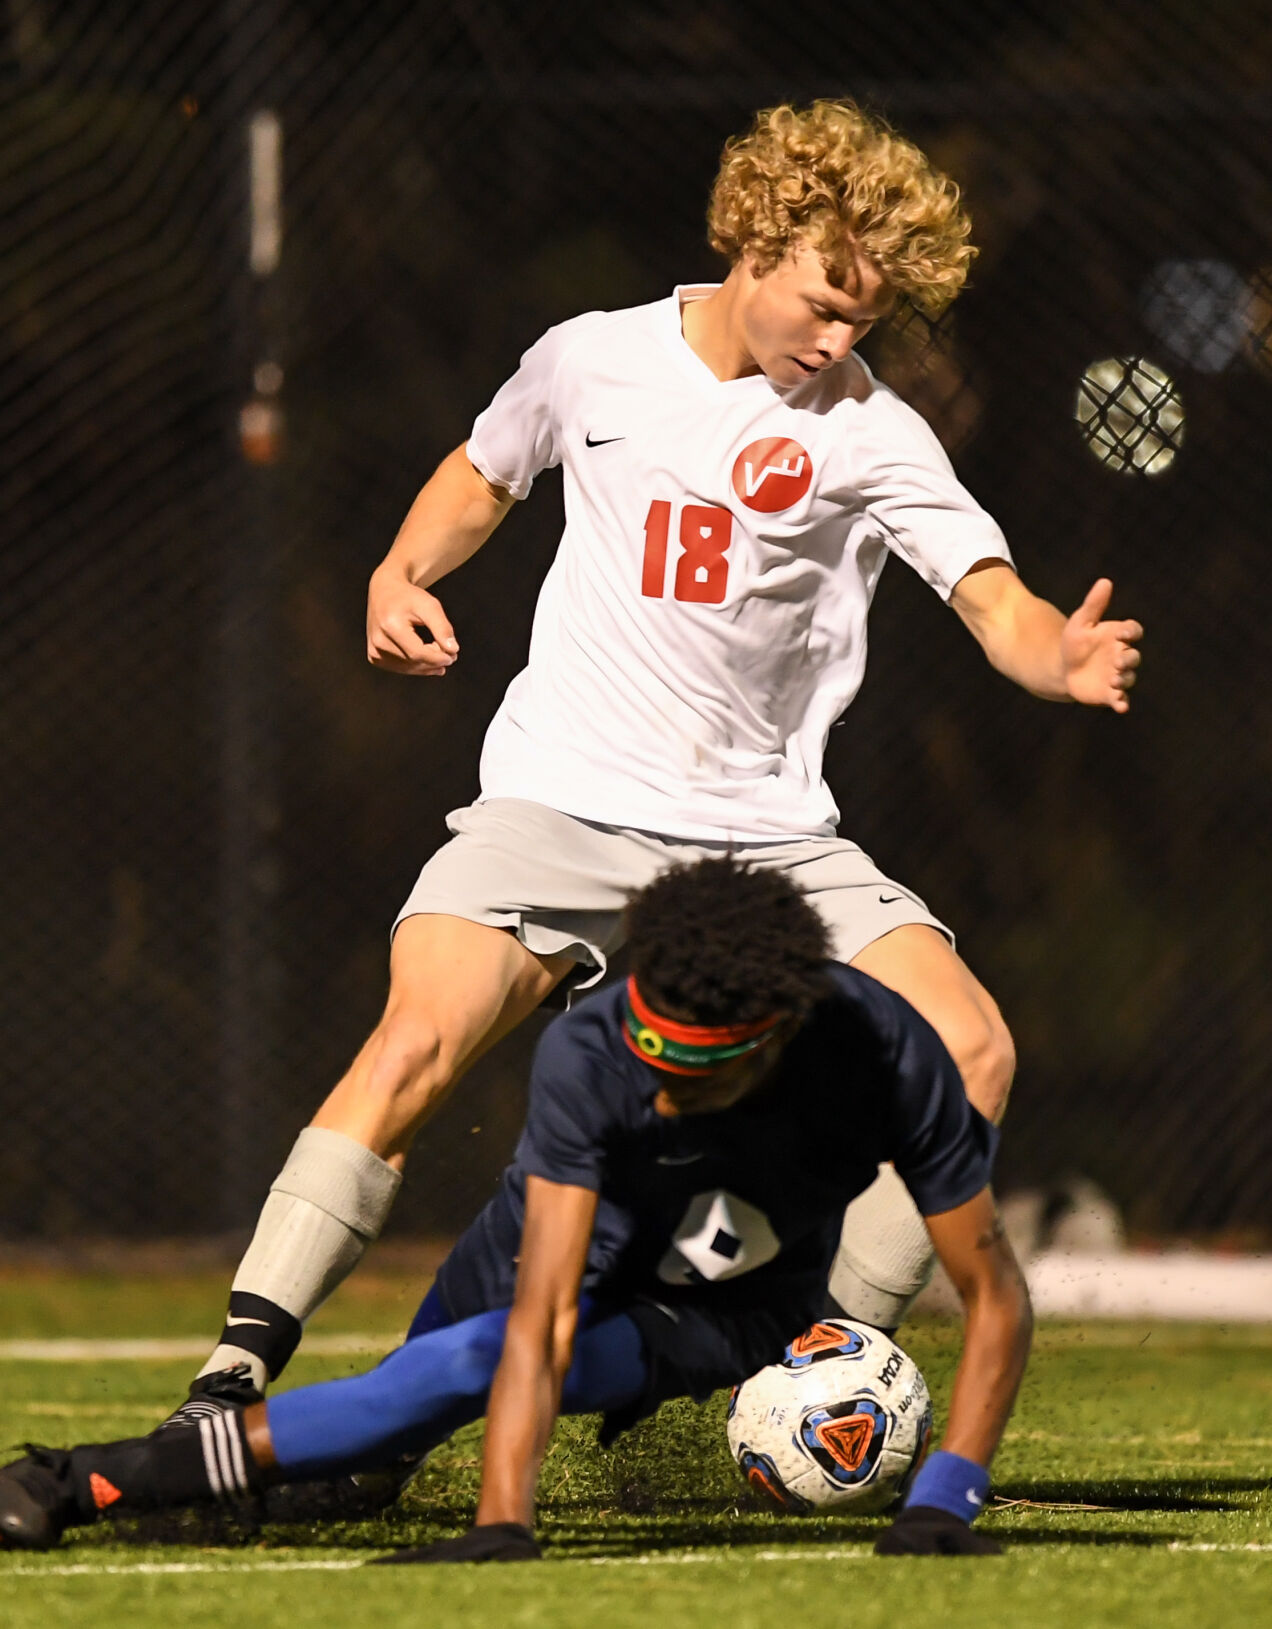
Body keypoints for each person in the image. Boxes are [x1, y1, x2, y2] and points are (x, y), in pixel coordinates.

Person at [165, 99, 1138, 1426]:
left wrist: (1053, 657)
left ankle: (813, 1368)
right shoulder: (592, 361)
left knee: (972, 1050)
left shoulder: (868, 426)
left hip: (764, 840)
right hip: (561, 803)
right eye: (826, 303)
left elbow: (991, 598)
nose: (843, 340)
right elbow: (483, 471)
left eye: (868, 320)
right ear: (759, 237)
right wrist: (400, 569)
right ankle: (230, 1378)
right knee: (415, 1044)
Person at [0, 858, 1031, 1560]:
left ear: (775, 1034)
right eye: (648, 1045)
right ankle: (312, 1462)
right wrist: (505, 1519)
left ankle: (79, 1482)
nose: (657, 1085)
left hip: (730, 1309)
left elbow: (992, 1298)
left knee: (456, 1369)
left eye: (692, 1069)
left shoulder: (889, 1061)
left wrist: (947, 1497)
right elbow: (542, 1311)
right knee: (393, 1434)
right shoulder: (590, 1055)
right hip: (575, 1253)